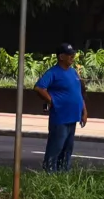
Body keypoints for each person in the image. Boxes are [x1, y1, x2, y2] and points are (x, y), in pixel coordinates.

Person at [34, 43, 87, 173]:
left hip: (73, 117)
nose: (72, 57)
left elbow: (79, 93)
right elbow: (39, 88)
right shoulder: (53, 72)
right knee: (55, 148)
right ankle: (49, 174)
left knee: (67, 150)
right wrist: (52, 101)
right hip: (60, 118)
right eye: (69, 54)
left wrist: (84, 111)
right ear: (61, 56)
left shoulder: (73, 72)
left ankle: (63, 175)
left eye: (73, 54)